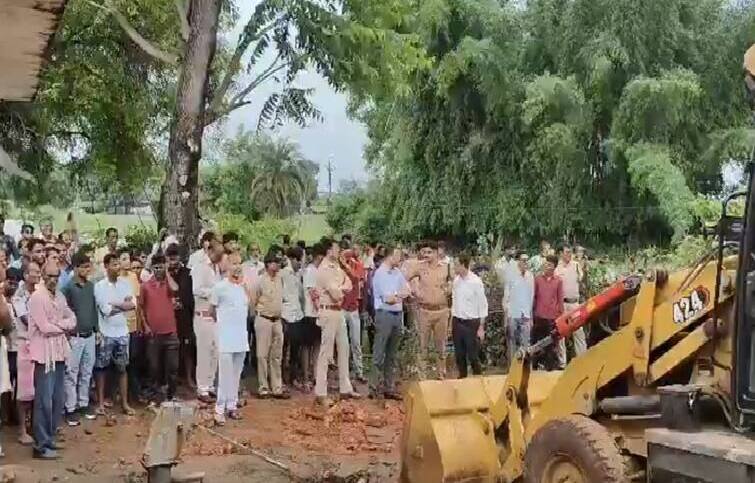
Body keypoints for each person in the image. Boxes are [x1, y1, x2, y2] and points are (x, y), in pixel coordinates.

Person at [28, 262, 76, 459]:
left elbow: (72, 318)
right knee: (43, 401)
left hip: (58, 352)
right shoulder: (37, 297)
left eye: (56, 276)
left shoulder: (60, 295)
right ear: (42, 275)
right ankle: (40, 445)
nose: (53, 279)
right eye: (49, 275)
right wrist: (63, 326)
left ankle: (50, 439)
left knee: (58, 399)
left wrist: (59, 324)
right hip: (43, 355)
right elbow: (44, 328)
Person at [314, 238, 362, 406]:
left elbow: (349, 284)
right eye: (336, 248)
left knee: (344, 348)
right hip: (328, 310)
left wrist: (340, 288)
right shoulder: (324, 268)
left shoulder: (337, 268)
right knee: (326, 353)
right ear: (329, 250)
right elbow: (337, 293)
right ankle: (321, 392)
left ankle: (345, 388)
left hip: (338, 311)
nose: (339, 251)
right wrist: (340, 288)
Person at [94, 253, 136, 415]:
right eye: (114, 264)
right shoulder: (100, 286)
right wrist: (122, 305)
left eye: (118, 264)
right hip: (106, 332)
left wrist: (116, 304)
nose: (117, 267)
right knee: (101, 368)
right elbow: (106, 311)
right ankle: (101, 403)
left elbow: (132, 305)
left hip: (122, 331)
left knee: (122, 368)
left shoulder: (125, 284)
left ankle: (124, 403)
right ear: (106, 266)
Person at [210, 252, 250, 425]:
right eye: (233, 263)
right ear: (227, 266)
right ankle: (219, 409)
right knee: (225, 375)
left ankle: (232, 406)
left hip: (241, 337)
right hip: (226, 336)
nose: (237, 266)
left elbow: (250, 306)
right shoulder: (220, 287)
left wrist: (244, 285)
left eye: (239, 263)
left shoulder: (243, 287)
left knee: (236, 374)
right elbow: (212, 310)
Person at [404, 241, 452, 379]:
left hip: (442, 311)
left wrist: (449, 288)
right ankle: (422, 376)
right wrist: (413, 290)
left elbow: (456, 281)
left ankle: (441, 374)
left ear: (437, 253)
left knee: (441, 346)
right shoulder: (419, 267)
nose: (426, 255)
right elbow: (404, 278)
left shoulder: (446, 267)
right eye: (424, 252)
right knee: (423, 345)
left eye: (429, 252)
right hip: (424, 311)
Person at [61, 253, 98, 426]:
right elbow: (63, 310)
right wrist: (67, 334)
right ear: (75, 268)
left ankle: (83, 403)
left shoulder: (91, 286)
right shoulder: (68, 287)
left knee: (87, 371)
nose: (86, 269)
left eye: (87, 266)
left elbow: (93, 309)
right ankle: (70, 408)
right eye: (82, 266)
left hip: (89, 335)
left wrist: (96, 330)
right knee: (71, 373)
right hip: (74, 336)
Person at [370, 247, 410, 399]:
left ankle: (389, 386)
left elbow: (407, 290)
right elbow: (388, 298)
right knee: (379, 352)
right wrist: (399, 295)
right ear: (389, 256)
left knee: (392, 354)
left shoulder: (397, 272)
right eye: (397, 255)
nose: (400, 259)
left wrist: (398, 295)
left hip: (397, 314)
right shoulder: (380, 274)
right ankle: (373, 386)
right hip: (384, 313)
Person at [140, 255, 180, 402]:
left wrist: (167, 273)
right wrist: (145, 326)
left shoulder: (168, 284)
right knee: (154, 367)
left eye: (161, 266)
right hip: (153, 334)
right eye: (156, 267)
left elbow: (176, 289)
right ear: (152, 268)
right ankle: (155, 395)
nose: (158, 270)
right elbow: (141, 308)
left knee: (173, 367)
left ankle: (172, 394)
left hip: (171, 332)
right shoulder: (145, 286)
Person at [191, 238, 224, 403]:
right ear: (210, 251)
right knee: (204, 353)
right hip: (202, 314)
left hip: (215, 316)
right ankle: (202, 388)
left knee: (215, 352)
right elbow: (196, 289)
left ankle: (210, 385)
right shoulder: (200, 266)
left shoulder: (216, 268)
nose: (220, 257)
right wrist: (214, 292)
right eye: (218, 254)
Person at [11, 262, 40, 445]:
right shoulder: (19, 296)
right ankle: (22, 430)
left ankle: (34, 427)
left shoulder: (39, 293)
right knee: (24, 391)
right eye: (34, 272)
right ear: (25, 274)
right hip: (24, 344)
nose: (38, 274)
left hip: (38, 342)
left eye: (39, 271)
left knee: (38, 389)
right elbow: (26, 319)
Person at [252, 254, 288, 399]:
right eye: (275, 262)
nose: (278, 265)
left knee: (277, 355)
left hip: (277, 320)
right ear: (268, 264)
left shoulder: (280, 279)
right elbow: (253, 300)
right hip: (264, 319)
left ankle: (277, 387)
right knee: (262, 355)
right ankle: (263, 387)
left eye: (278, 263)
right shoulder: (260, 280)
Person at [451, 254, 488, 378]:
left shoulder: (476, 281)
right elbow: (454, 302)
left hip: (471, 323)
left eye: (456, 264)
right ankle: (463, 378)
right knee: (459, 355)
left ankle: (478, 380)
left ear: (463, 265)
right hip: (457, 321)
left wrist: (481, 327)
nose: (454, 267)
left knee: (473, 355)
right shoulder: (456, 281)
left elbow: (483, 305)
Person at [166, 244, 195, 389]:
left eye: (175, 255)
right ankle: (172, 380)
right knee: (171, 350)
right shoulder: (164, 274)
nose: (173, 258)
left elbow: (189, 294)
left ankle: (189, 378)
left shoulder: (188, 273)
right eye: (170, 255)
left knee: (187, 349)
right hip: (168, 317)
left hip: (185, 316)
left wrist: (181, 303)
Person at [120, 249, 147, 402]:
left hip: (132, 325)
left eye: (128, 258)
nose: (126, 262)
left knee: (134, 359)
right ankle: (119, 393)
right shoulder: (113, 279)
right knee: (120, 361)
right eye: (123, 258)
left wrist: (139, 324)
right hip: (118, 326)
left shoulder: (133, 278)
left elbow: (138, 304)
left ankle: (135, 393)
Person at [339, 243, 366, 383]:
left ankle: (358, 371)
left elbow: (356, 279)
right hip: (342, 308)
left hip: (353, 307)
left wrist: (345, 264)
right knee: (343, 343)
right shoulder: (339, 268)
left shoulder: (358, 266)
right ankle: (344, 373)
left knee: (356, 342)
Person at [555, 245, 586, 367]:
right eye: (566, 252)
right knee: (561, 332)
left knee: (578, 331)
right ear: (561, 253)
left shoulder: (576, 265)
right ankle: (562, 362)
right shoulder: (557, 269)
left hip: (574, 303)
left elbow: (582, 279)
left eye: (570, 252)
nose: (569, 254)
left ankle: (582, 360)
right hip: (563, 303)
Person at [532, 255, 563, 370]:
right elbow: (534, 297)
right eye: (546, 264)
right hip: (539, 316)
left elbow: (560, 300)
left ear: (554, 267)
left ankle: (549, 366)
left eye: (549, 265)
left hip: (552, 317)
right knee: (537, 342)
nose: (547, 266)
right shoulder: (538, 279)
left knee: (551, 343)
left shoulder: (558, 281)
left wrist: (560, 316)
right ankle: (535, 365)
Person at [281, 247, 306, 388]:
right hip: (285, 315)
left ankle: (293, 377)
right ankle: (282, 378)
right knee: (283, 348)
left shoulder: (298, 275)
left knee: (296, 348)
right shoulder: (284, 274)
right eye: (300, 259)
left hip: (297, 315)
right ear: (294, 259)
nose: (301, 263)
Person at [504, 252, 534, 365]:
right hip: (513, 313)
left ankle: (525, 368)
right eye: (523, 260)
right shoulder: (511, 276)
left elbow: (531, 297)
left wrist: (531, 317)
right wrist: (506, 315)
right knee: (512, 342)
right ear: (518, 262)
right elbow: (506, 296)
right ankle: (512, 368)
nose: (525, 262)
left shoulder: (530, 276)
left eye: (527, 260)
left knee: (526, 342)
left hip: (525, 314)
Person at [300, 243, 323, 391]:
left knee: (317, 345)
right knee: (307, 347)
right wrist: (319, 309)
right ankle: (306, 377)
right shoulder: (310, 271)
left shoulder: (318, 271)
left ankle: (315, 375)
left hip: (317, 314)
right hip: (310, 313)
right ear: (319, 256)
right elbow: (312, 292)